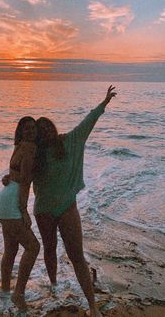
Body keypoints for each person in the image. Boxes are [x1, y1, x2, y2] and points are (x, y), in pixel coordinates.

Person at [33, 85, 116, 317]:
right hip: (43, 210)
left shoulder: (71, 140)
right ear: (38, 135)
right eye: (42, 130)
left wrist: (104, 103)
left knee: (76, 256)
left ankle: (92, 306)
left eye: (48, 127)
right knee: (49, 249)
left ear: (53, 128)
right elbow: (20, 174)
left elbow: (88, 122)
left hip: (66, 206)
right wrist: (8, 178)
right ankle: (54, 288)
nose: (46, 131)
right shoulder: (35, 154)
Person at [0, 116, 40, 312]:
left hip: (2, 202)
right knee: (33, 247)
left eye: (32, 128)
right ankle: (18, 294)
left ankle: (4, 291)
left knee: (11, 251)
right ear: (20, 131)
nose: (29, 131)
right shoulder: (29, 148)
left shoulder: (19, 146)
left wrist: (8, 177)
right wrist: (24, 211)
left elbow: (14, 174)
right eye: (25, 128)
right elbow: (25, 183)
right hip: (11, 205)